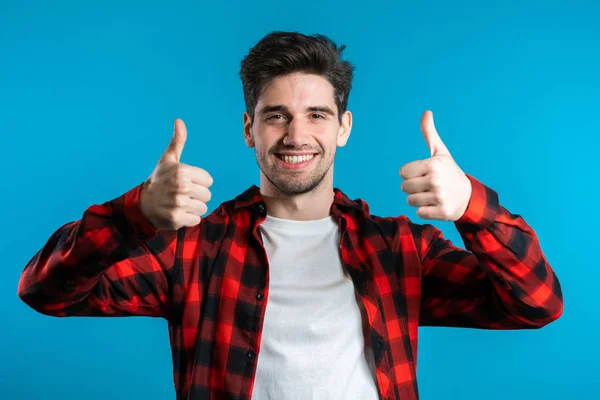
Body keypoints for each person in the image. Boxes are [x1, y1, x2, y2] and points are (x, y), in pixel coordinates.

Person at [17, 31, 563, 400]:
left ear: (343, 128)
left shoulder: (400, 250)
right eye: (275, 116)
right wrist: (133, 212)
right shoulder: (191, 248)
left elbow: (536, 304)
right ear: (249, 129)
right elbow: (46, 291)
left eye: (316, 115)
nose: (296, 136)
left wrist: (471, 206)